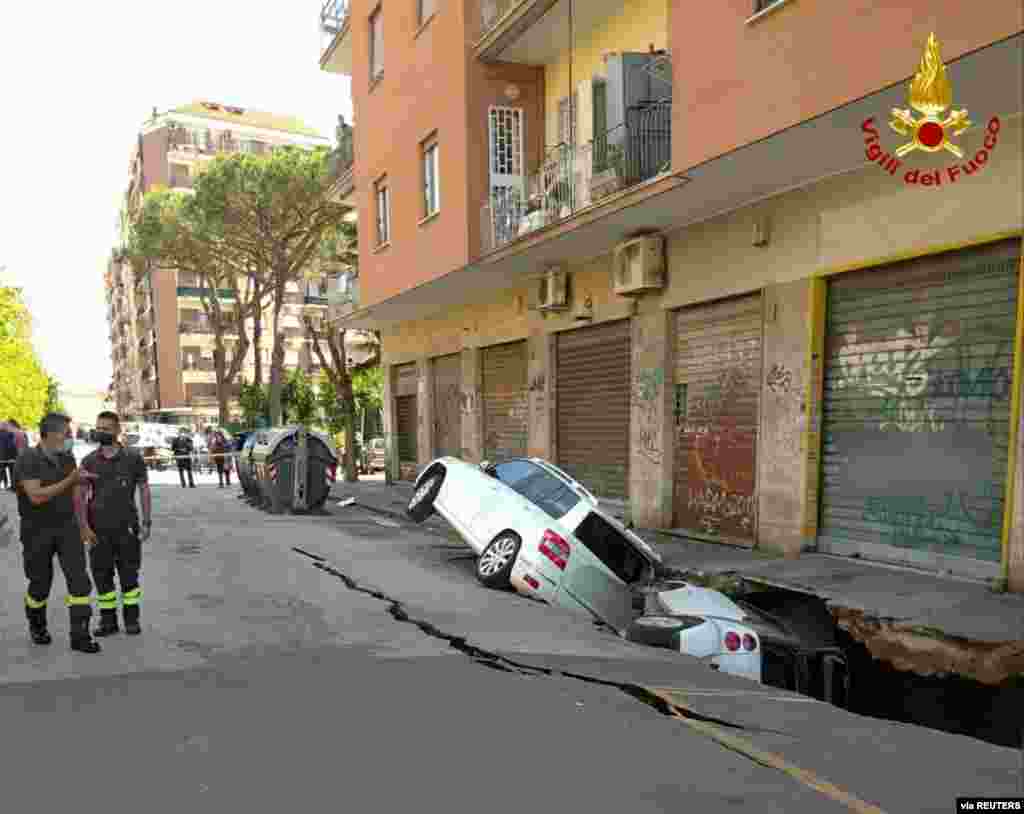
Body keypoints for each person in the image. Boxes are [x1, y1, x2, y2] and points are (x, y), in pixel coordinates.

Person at [13, 412, 101, 653]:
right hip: (36, 530)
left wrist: (83, 525)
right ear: (51, 434)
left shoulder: (67, 458)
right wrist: (70, 479)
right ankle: (37, 622)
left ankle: (80, 635)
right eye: (66, 432)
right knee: (40, 584)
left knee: (80, 582)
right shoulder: (27, 459)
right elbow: (36, 496)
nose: (70, 436)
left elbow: (74, 494)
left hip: (67, 527)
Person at [80, 411, 151, 637]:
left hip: (127, 529)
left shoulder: (133, 458)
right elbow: (80, 496)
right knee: (102, 578)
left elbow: (144, 489)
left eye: (107, 429)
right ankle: (108, 622)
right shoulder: (89, 461)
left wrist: (147, 521)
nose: (101, 432)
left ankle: (132, 621)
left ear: (118, 431)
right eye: (99, 427)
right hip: (98, 531)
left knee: (129, 576)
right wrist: (83, 526)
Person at [0, 420, 16, 490]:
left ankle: (5, 483)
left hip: (1, 456)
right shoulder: (10, 434)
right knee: (10, 471)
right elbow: (11, 445)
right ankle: (10, 485)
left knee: (1, 470)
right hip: (9, 456)